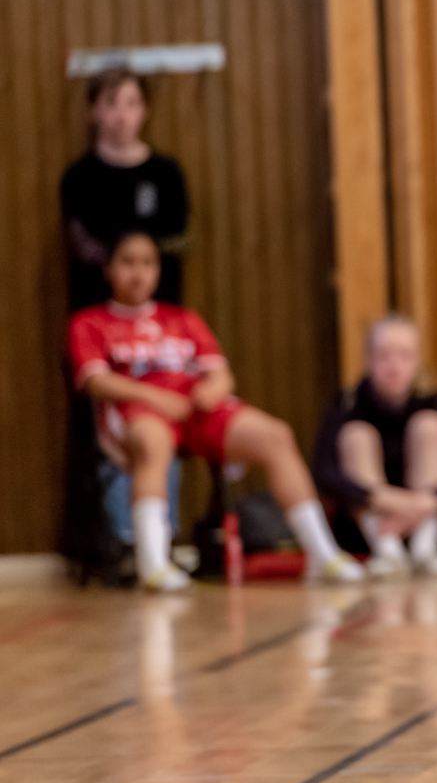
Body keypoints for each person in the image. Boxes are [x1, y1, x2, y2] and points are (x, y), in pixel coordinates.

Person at [67, 232, 365, 591]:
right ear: (109, 269)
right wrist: (156, 399)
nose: (138, 272)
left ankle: (322, 552)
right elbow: (96, 382)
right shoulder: (90, 323)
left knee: (275, 435)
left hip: (195, 410)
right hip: (138, 413)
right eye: (128, 262)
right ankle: (154, 564)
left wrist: (213, 390)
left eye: (148, 263)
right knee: (153, 443)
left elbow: (221, 374)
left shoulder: (182, 319)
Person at [310, 315, 437, 579]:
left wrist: (425, 503)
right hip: (367, 527)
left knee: (430, 427)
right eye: (384, 356)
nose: (394, 366)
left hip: (426, 519)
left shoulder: (433, 406)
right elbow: (324, 472)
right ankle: (387, 553)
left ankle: (425, 551)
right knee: (357, 435)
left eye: (404, 356)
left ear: (417, 361)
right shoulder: (347, 406)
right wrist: (378, 497)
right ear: (368, 360)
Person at [62, 67, 191, 311]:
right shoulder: (79, 177)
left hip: (159, 310)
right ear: (92, 110)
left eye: (131, 103)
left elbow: (181, 237)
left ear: (145, 110)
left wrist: (141, 261)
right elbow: (81, 244)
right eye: (111, 103)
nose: (121, 115)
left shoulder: (166, 173)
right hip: (98, 311)